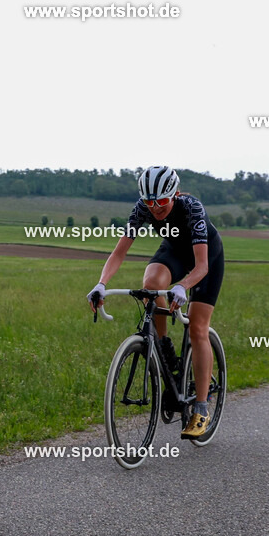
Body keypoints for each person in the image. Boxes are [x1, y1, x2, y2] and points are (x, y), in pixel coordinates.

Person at [88, 166, 225, 439]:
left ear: (175, 194)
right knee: (151, 284)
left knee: (197, 328)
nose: (155, 208)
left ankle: (201, 409)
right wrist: (101, 284)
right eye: (149, 202)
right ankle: (163, 346)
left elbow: (201, 266)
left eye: (161, 201)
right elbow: (119, 252)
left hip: (206, 258)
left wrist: (183, 286)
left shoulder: (192, 208)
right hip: (175, 251)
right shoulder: (143, 208)